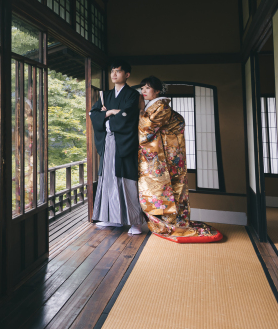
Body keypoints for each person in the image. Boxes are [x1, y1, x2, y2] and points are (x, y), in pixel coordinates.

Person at [137, 76, 222, 243]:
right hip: (164, 155)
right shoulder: (153, 106)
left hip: (166, 156)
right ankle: (168, 219)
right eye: (142, 88)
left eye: (147, 88)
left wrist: (139, 113)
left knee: (168, 187)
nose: (143, 91)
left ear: (158, 91)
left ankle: (169, 221)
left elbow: (146, 130)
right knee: (163, 187)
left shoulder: (161, 107)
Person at [88, 60, 145, 235]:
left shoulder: (132, 95)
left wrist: (108, 115)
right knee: (109, 179)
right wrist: (110, 112)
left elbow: (129, 116)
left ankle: (135, 222)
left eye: (118, 71)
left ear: (126, 75)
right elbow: (93, 113)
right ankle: (114, 218)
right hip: (108, 142)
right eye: (112, 71)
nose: (114, 74)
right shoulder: (105, 95)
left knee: (127, 181)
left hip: (124, 143)